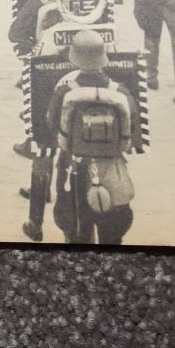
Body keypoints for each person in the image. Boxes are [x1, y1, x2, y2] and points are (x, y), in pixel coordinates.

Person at [43, 30, 137, 244]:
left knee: (76, 233)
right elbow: (132, 130)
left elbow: (52, 125)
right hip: (112, 169)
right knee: (112, 235)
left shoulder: (64, 92)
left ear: (74, 58)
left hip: (73, 168)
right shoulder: (121, 92)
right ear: (103, 56)